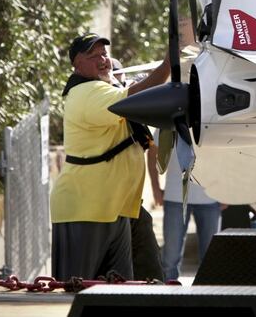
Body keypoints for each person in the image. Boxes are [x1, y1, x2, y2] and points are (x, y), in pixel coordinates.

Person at [49, 33, 170, 281]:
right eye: (93, 55)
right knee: (77, 289)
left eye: (104, 53)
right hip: (85, 208)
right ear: (77, 65)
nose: (102, 59)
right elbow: (137, 97)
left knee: (119, 289)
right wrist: (169, 63)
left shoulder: (105, 87)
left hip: (113, 207)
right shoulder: (87, 93)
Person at [110, 57, 164, 282]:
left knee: (147, 268)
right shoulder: (103, 104)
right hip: (108, 205)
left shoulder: (130, 108)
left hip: (129, 204)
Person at [160, 135, 222, 283]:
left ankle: (210, 295)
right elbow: (153, 152)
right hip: (175, 196)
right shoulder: (169, 117)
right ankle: (168, 295)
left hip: (210, 196)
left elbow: (229, 157)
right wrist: (155, 187)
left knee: (211, 255)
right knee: (170, 256)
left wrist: (225, 191)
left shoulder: (212, 117)